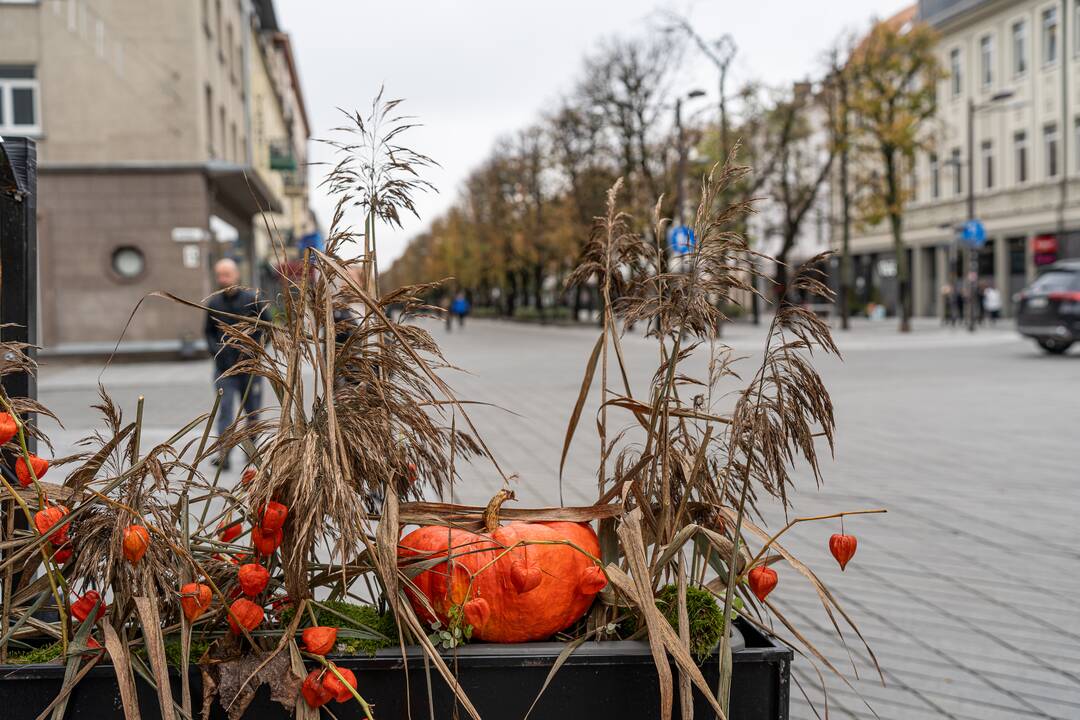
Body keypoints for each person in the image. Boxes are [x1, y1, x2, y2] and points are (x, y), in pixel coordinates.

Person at [204, 258, 271, 470]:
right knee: (225, 410)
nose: (223, 279)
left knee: (252, 412)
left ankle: (251, 453)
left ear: (236, 275)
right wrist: (216, 352)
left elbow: (268, 326)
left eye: (227, 274)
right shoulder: (213, 303)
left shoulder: (252, 299)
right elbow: (207, 332)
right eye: (220, 275)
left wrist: (257, 350)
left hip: (250, 368)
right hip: (224, 369)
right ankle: (224, 453)